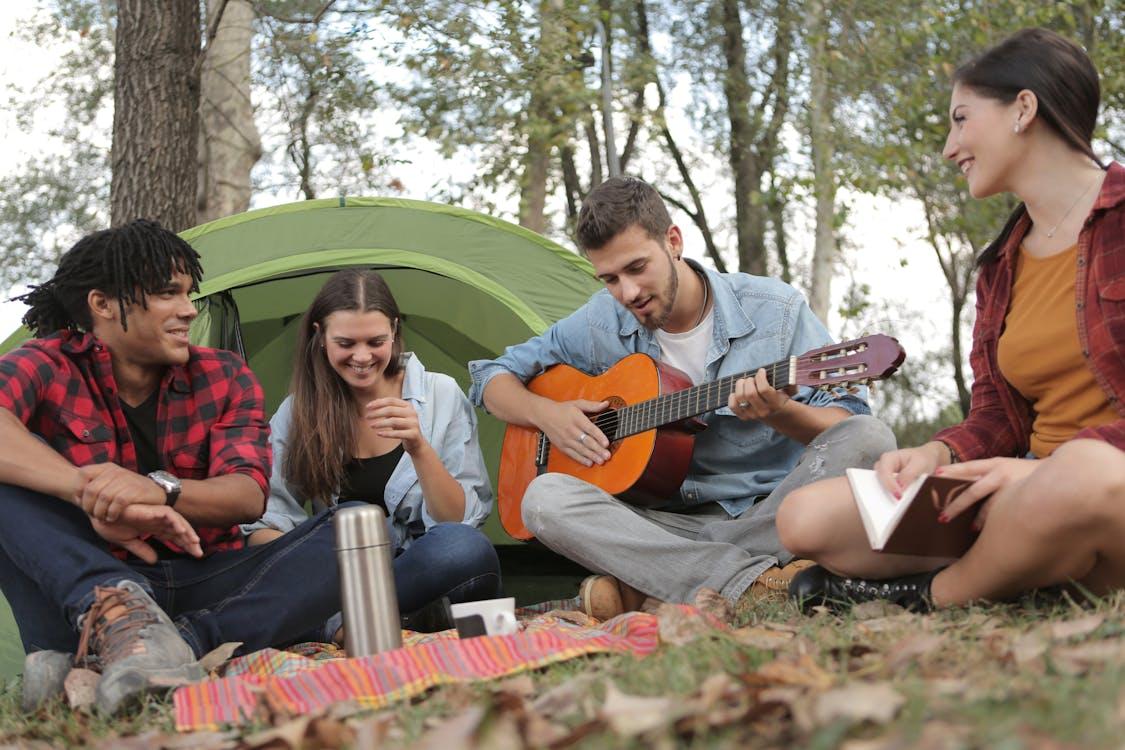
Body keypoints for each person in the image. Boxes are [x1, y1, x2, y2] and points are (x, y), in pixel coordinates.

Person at [778, 28, 1125, 612]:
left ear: (1023, 108)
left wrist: (1040, 476)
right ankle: (1032, 567)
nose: (949, 146)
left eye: (962, 119)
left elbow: (1073, 471)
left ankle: (935, 595)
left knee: (1080, 476)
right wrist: (938, 456)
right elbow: (996, 413)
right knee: (805, 517)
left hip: (1099, 484)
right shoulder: (1001, 266)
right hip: (1022, 485)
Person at [468, 176, 896, 617]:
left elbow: (845, 422)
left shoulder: (776, 310)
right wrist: (547, 415)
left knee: (870, 438)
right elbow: (489, 378)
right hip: (665, 524)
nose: (627, 293)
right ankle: (755, 579)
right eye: (610, 278)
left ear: (673, 241)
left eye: (637, 268)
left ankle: (671, 579)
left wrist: (781, 413)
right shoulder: (602, 320)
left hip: (774, 512)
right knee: (543, 500)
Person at [0, 220, 350, 715]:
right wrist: (86, 492)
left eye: (189, 293)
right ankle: (123, 622)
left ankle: (173, 645)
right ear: (102, 305)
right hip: (86, 596)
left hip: (204, 577)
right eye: (169, 293)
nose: (189, 309)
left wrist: (154, 491)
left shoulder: (224, 374)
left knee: (355, 531)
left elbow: (247, 494)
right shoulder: (47, 362)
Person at [242, 269, 500, 631]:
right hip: (341, 572)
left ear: (394, 331)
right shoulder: (299, 412)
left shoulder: (440, 394)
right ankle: (388, 621)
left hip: (422, 571)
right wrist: (318, 558)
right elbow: (264, 524)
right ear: (320, 336)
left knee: (466, 549)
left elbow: (458, 522)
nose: (362, 357)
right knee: (352, 517)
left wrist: (418, 447)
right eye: (346, 343)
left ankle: (353, 622)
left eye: (375, 341)